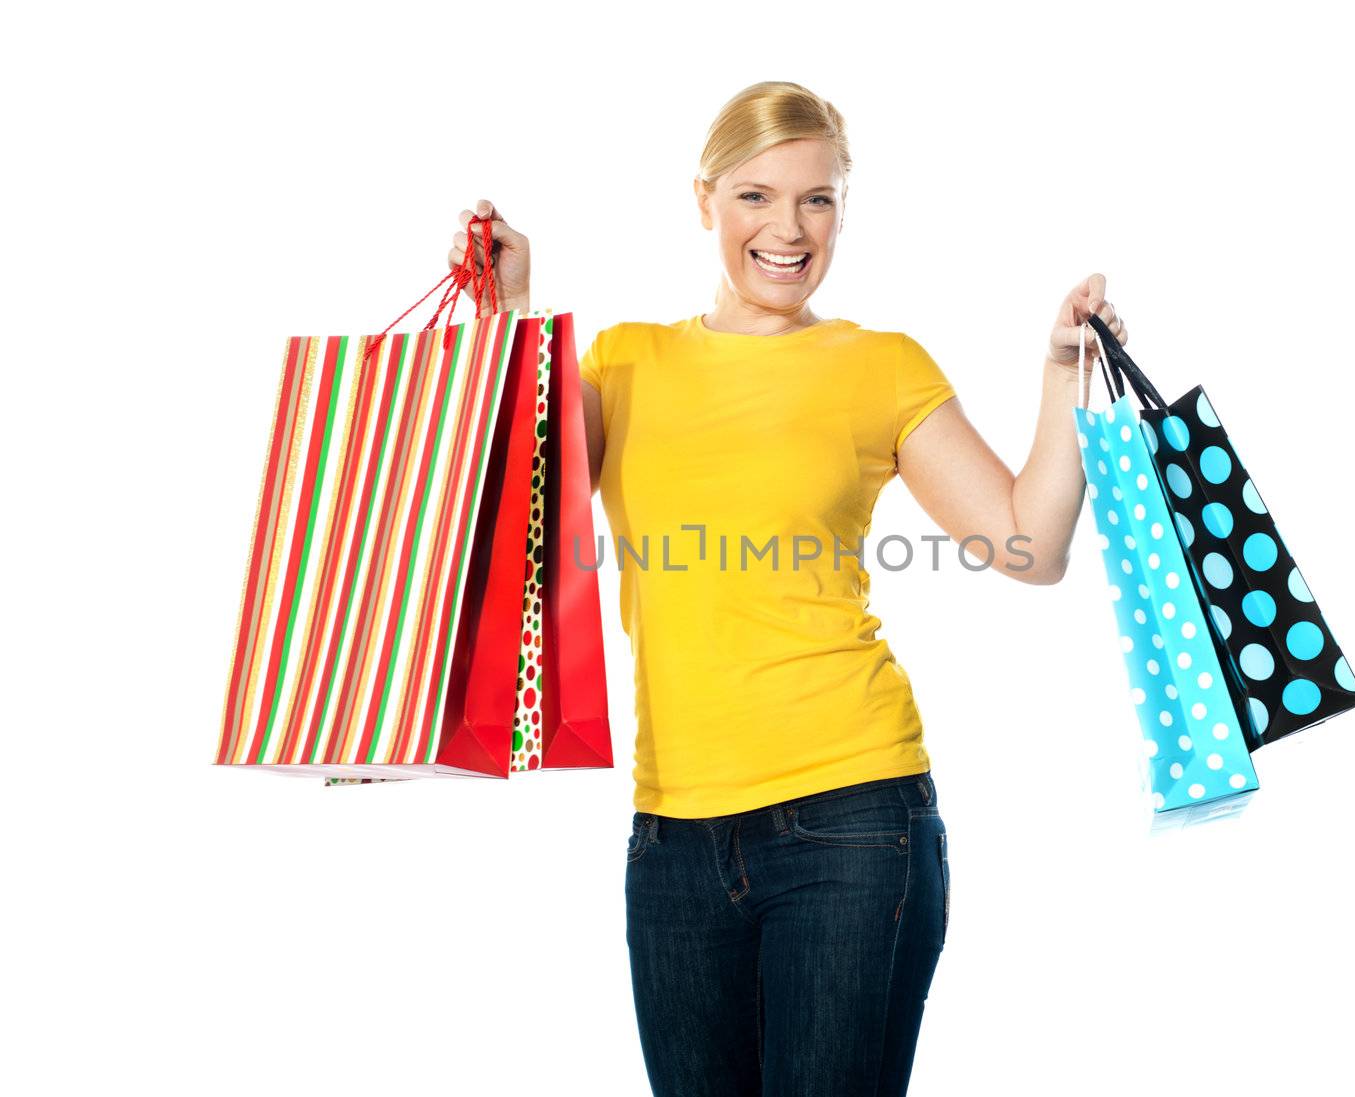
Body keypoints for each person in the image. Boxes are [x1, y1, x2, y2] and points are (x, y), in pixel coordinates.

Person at [445, 80, 1128, 1097]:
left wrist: (1061, 373)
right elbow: (511, 518)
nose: (788, 227)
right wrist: (508, 316)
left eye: (818, 199)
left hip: (852, 823)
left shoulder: (879, 366)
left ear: (843, 211)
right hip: (669, 836)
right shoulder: (627, 362)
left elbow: (1028, 546)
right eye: (757, 196)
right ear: (705, 200)